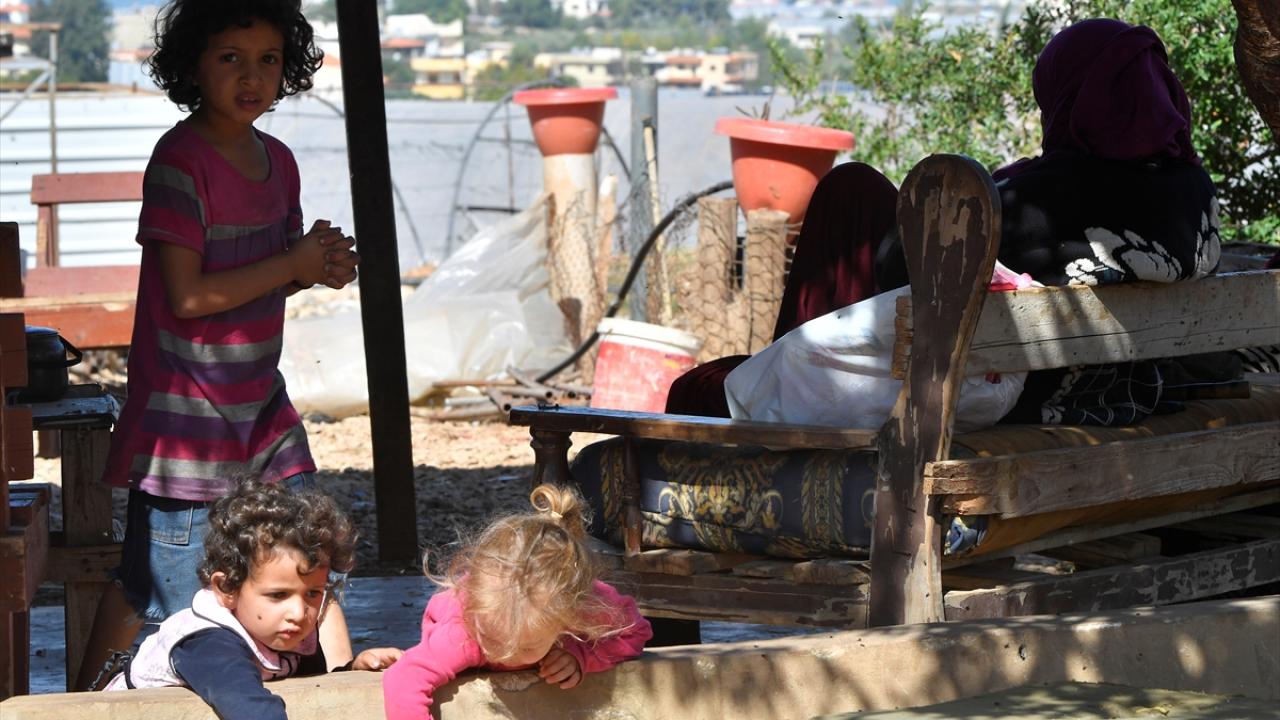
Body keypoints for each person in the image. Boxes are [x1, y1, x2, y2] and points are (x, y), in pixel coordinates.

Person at [669, 18, 1221, 427]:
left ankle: (783, 406)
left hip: (997, 391)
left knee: (697, 389)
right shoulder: (1194, 190)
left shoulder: (1053, 193)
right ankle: (783, 375)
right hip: (1122, 383)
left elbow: (906, 266)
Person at [76, 0, 361, 689]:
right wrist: (289, 265)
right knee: (173, 596)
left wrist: (312, 270)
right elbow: (191, 297)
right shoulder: (181, 161)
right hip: (185, 418)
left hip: (258, 403)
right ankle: (79, 703)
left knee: (308, 544)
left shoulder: (281, 163)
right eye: (230, 59)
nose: (251, 77)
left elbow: (257, 285)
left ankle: (343, 683)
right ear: (193, 66)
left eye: (267, 60)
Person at [102, 481, 402, 718]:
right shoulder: (209, 642)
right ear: (227, 588)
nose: (299, 612)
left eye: (313, 593)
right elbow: (251, 710)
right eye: (278, 595)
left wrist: (352, 672)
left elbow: (311, 688)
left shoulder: (285, 633)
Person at [381, 484, 653, 718]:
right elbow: (403, 680)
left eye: (525, 646)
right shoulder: (464, 630)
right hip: (460, 642)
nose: (504, 654)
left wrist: (581, 654)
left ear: (567, 621)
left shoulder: (582, 602)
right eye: (494, 640)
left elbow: (636, 631)